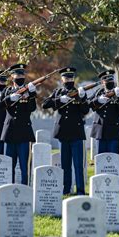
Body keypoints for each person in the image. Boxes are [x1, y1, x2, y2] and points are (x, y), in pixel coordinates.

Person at [42, 67, 89, 195]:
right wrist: (59, 100)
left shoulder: (79, 92)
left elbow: (85, 110)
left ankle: (80, 190)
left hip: (76, 132)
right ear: (62, 79)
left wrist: (82, 98)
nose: (69, 80)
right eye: (66, 78)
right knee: (65, 164)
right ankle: (66, 189)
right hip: (63, 133)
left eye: (71, 78)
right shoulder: (58, 92)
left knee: (78, 165)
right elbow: (44, 104)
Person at [1, 63, 37, 185]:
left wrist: (31, 95)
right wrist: (10, 98)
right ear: (12, 77)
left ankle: (25, 188)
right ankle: (9, 188)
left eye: (22, 74)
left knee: (24, 165)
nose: (20, 77)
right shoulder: (7, 91)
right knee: (9, 165)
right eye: (17, 74)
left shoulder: (28, 91)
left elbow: (32, 108)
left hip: (24, 133)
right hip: (10, 132)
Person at [89, 70, 119, 154]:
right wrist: (98, 100)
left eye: (111, 80)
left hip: (114, 131)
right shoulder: (98, 93)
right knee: (100, 159)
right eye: (106, 80)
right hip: (100, 131)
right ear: (102, 82)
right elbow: (88, 104)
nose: (109, 82)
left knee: (114, 159)